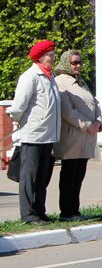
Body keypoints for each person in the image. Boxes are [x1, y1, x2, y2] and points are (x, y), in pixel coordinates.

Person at [9, 40, 61, 223]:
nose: (53, 59)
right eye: (50, 55)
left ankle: (40, 211)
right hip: (33, 135)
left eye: (54, 55)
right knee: (29, 177)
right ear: (40, 57)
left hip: (48, 135)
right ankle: (28, 215)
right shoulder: (30, 76)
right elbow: (18, 107)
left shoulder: (49, 76)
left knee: (42, 177)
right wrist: (20, 122)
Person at [52, 50, 102, 221]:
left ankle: (75, 210)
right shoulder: (60, 82)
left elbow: (95, 103)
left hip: (86, 138)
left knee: (79, 174)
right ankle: (66, 211)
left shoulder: (80, 82)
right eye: (74, 62)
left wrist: (98, 121)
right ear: (66, 63)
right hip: (72, 136)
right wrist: (87, 125)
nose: (78, 65)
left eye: (79, 62)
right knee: (69, 174)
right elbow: (68, 111)